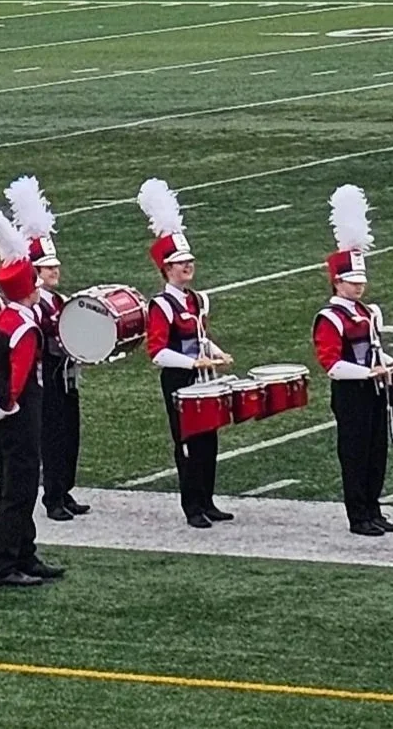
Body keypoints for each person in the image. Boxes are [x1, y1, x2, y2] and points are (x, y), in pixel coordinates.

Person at [0, 200, 65, 588]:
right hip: (18, 410)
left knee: (17, 485)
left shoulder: (3, 318)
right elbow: (19, 377)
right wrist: (8, 406)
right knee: (20, 489)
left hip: (1, 410)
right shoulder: (25, 327)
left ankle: (25, 554)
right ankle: (4, 563)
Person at [138, 178, 233, 529]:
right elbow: (157, 353)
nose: (187, 266)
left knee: (209, 439)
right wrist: (193, 362)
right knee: (189, 443)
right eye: (180, 263)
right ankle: (192, 506)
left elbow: (201, 336)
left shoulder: (197, 299)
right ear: (166, 268)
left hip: (202, 376)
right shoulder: (161, 305)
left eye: (189, 260)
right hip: (179, 380)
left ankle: (207, 500)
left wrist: (217, 354)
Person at [312, 184, 393, 537]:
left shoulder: (368, 312)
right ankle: (358, 516)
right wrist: (369, 371)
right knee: (354, 454)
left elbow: (375, 348)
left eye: (361, 281)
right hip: (351, 392)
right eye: (352, 281)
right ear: (337, 282)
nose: (359, 286)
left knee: (377, 452)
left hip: (375, 388)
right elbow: (331, 364)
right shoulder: (330, 318)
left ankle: (374, 508)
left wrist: (392, 364)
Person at [5, 175, 88, 522]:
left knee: (70, 435)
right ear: (36, 271)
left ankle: (64, 490)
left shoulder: (59, 300)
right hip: (48, 378)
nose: (56, 270)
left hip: (65, 375)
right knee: (52, 438)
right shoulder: (38, 304)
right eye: (49, 267)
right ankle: (52, 497)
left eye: (55, 265)